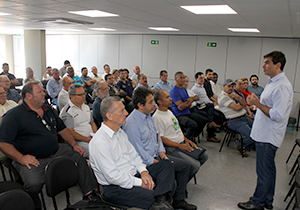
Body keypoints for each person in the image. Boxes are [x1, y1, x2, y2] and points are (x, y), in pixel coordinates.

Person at [0, 81, 100, 209]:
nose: (44, 93)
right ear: (29, 96)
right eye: (40, 92)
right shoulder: (13, 116)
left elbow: (62, 129)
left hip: (56, 149)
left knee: (79, 155)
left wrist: (74, 144)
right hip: (31, 157)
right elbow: (3, 143)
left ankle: (89, 193)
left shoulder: (47, 109)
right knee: (33, 182)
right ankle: (33, 203)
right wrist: (21, 158)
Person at [89, 96, 175, 210]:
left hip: (134, 174)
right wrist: (140, 183)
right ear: (109, 116)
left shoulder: (120, 132)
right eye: (121, 111)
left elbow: (134, 155)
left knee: (166, 164)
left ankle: (161, 201)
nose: (126, 113)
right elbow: (113, 177)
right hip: (116, 188)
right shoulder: (99, 142)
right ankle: (161, 201)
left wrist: (144, 172)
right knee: (158, 194)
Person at [123, 87, 197, 210]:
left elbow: (157, 139)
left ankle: (178, 199)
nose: (154, 104)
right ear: (140, 105)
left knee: (185, 166)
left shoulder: (148, 117)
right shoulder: (132, 124)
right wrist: (158, 163)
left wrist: (163, 155)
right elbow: (138, 152)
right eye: (151, 102)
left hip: (156, 157)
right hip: (145, 163)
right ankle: (164, 202)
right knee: (172, 176)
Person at [238, 51, 293, 210]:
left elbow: (277, 115)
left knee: (263, 171)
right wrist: (255, 102)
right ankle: (267, 199)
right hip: (264, 133)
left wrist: (259, 104)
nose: (263, 65)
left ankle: (257, 202)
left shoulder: (282, 85)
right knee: (268, 169)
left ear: (278, 65)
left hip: (268, 136)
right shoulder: (273, 81)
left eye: (267, 62)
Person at [153, 90, 208, 180]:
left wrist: (187, 140)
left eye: (170, 96)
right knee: (195, 165)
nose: (171, 99)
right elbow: (161, 138)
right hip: (172, 148)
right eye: (167, 97)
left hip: (181, 143)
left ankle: (182, 178)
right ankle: (180, 185)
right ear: (159, 101)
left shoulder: (169, 112)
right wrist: (180, 146)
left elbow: (176, 129)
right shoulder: (157, 117)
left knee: (204, 156)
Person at [218, 79, 255, 157]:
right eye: (229, 86)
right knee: (252, 136)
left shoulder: (233, 95)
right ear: (224, 86)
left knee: (258, 131)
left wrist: (237, 96)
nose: (231, 88)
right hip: (234, 121)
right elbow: (237, 108)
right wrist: (241, 105)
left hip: (243, 118)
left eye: (232, 86)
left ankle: (246, 145)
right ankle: (240, 144)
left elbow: (244, 104)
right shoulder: (223, 97)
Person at [59, 84, 98, 157]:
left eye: (84, 93)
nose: (83, 96)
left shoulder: (85, 107)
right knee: (97, 152)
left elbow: (92, 123)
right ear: (72, 96)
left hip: (91, 137)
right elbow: (70, 133)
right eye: (80, 95)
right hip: (79, 141)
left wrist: (96, 135)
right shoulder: (68, 112)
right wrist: (88, 140)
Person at [169, 71, 208, 141]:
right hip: (179, 115)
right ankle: (186, 141)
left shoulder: (183, 89)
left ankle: (191, 137)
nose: (183, 79)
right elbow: (181, 107)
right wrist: (188, 102)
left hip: (187, 112)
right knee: (193, 124)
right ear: (176, 79)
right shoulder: (174, 91)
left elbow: (190, 100)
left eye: (184, 77)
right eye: (181, 78)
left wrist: (188, 101)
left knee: (203, 120)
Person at [191, 72, 222, 142]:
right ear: (196, 79)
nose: (202, 79)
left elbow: (206, 97)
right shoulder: (195, 89)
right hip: (201, 106)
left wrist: (213, 102)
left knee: (218, 114)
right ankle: (210, 130)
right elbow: (196, 101)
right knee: (212, 114)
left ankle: (212, 132)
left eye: (203, 78)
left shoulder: (202, 87)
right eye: (200, 78)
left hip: (207, 105)